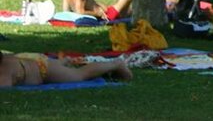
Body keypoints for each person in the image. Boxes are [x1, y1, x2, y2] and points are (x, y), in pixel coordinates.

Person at [0, 50, 133, 87]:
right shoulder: (5, 63)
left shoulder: (5, 70)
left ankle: (116, 63)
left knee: (79, 75)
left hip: (42, 68)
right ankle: (63, 62)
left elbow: (4, 86)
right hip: (28, 59)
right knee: (55, 66)